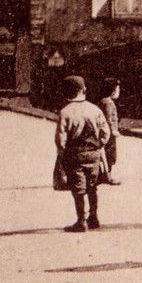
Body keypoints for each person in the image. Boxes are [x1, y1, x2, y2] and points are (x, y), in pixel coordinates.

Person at [55, 75, 111, 232]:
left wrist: (62, 153)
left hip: (75, 154)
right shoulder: (95, 109)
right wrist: (99, 145)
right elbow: (105, 132)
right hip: (93, 153)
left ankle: (81, 221)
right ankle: (93, 217)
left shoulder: (65, 112)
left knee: (78, 188)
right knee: (93, 186)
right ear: (84, 89)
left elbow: (60, 138)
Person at [98, 78, 122, 185]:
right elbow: (108, 119)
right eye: (117, 89)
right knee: (110, 155)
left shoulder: (103, 101)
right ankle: (108, 177)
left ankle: (102, 175)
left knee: (104, 154)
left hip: (104, 132)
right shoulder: (108, 103)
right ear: (112, 91)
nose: (118, 91)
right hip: (109, 134)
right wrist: (113, 130)